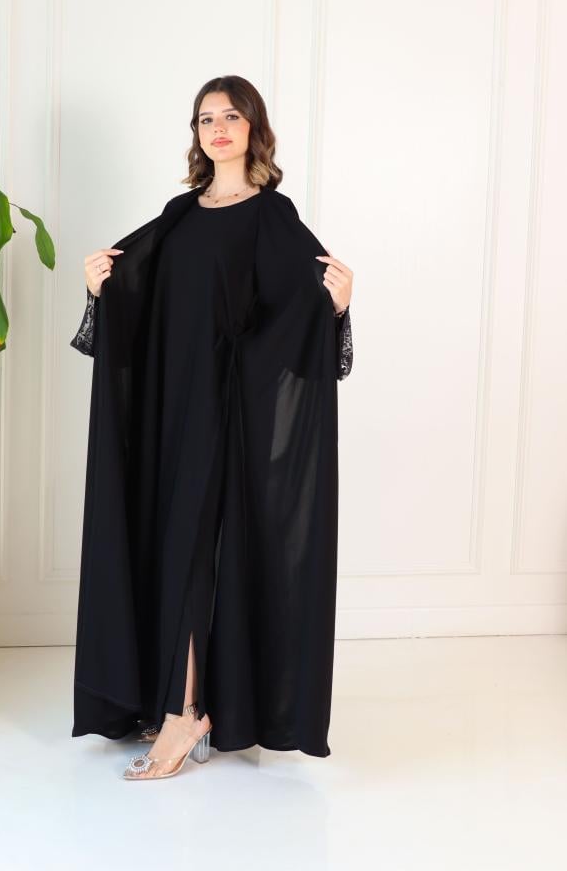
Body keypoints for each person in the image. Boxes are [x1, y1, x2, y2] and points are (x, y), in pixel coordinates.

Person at [70, 75, 353, 780]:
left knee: (199, 552)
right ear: (196, 133)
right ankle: (176, 697)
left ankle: (185, 712)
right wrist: (102, 289)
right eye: (205, 118)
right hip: (172, 413)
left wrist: (337, 307)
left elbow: (296, 312)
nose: (218, 128)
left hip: (230, 418)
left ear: (254, 128)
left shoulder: (272, 216)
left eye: (231, 116)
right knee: (172, 549)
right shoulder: (178, 216)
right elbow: (147, 303)